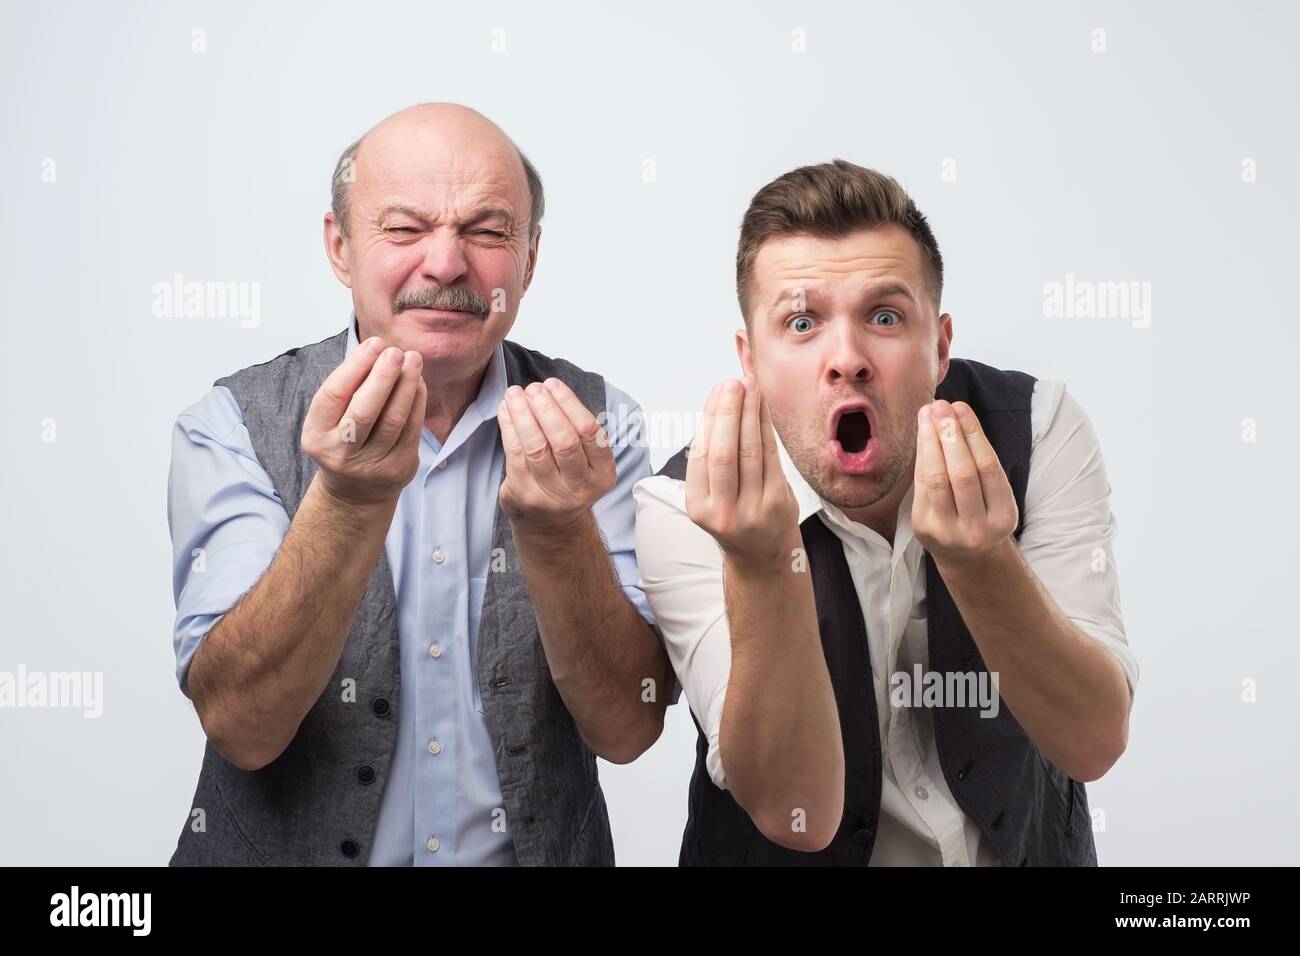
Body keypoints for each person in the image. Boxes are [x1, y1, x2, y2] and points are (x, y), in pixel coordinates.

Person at [167, 103, 673, 866]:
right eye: (404, 229)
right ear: (340, 247)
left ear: (530, 259)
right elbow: (240, 725)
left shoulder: (603, 425)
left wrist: (560, 532)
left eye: (487, 230)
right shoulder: (232, 424)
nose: (444, 264)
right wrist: (345, 503)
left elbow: (628, 729)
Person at [634, 159, 1138, 865]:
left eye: (884, 316)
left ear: (939, 345)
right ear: (749, 361)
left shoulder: (1039, 430)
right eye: (802, 322)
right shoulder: (684, 507)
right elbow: (794, 814)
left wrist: (981, 560)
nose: (848, 359)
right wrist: (760, 564)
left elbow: (1092, 740)